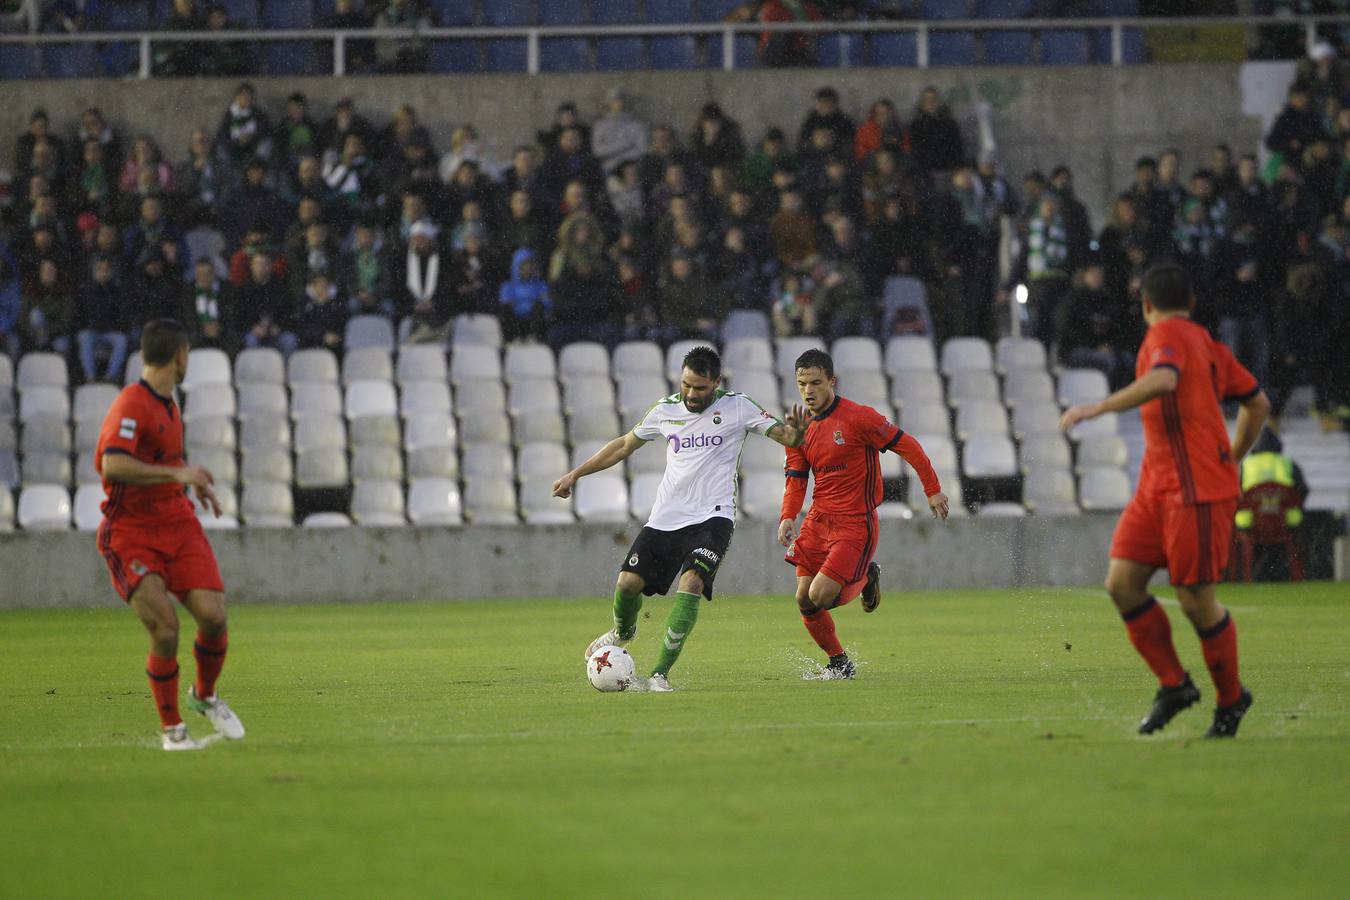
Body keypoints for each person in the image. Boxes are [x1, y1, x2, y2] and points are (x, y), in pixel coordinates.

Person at [1059, 264, 1271, 739]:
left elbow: (1165, 379)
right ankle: (1175, 685)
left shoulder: (1166, 336)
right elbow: (1258, 404)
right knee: (1122, 582)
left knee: (1196, 601)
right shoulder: (1212, 347)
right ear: (1191, 302)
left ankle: (1232, 697)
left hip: (1194, 488)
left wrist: (1098, 406)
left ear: (1146, 305)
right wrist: (1233, 455)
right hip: (1159, 485)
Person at [554, 346, 808, 692]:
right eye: (686, 385)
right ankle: (623, 632)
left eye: (700, 388)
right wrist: (575, 474)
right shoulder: (665, 410)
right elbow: (623, 446)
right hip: (664, 518)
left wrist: (798, 434)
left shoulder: (737, 406)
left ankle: (659, 674)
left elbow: (787, 437)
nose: (691, 394)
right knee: (627, 585)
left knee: (691, 583)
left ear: (717, 382)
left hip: (713, 519)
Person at [94, 319, 244, 751]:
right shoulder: (131, 404)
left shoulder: (168, 404)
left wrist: (188, 483)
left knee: (213, 616)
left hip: (176, 522)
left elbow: (160, 462)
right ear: (180, 354)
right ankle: (173, 730)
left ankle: (204, 695)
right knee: (165, 628)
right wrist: (177, 472)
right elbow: (114, 464)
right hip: (131, 531)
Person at [778, 349, 948, 678]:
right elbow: (796, 477)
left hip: (855, 523)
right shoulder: (799, 429)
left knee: (821, 596)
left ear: (832, 381)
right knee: (803, 599)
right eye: (802, 384)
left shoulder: (859, 418)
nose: (808, 391)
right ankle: (840, 663)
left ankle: (867, 575)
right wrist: (788, 515)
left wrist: (932, 488)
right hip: (817, 522)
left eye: (815, 382)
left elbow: (908, 445)